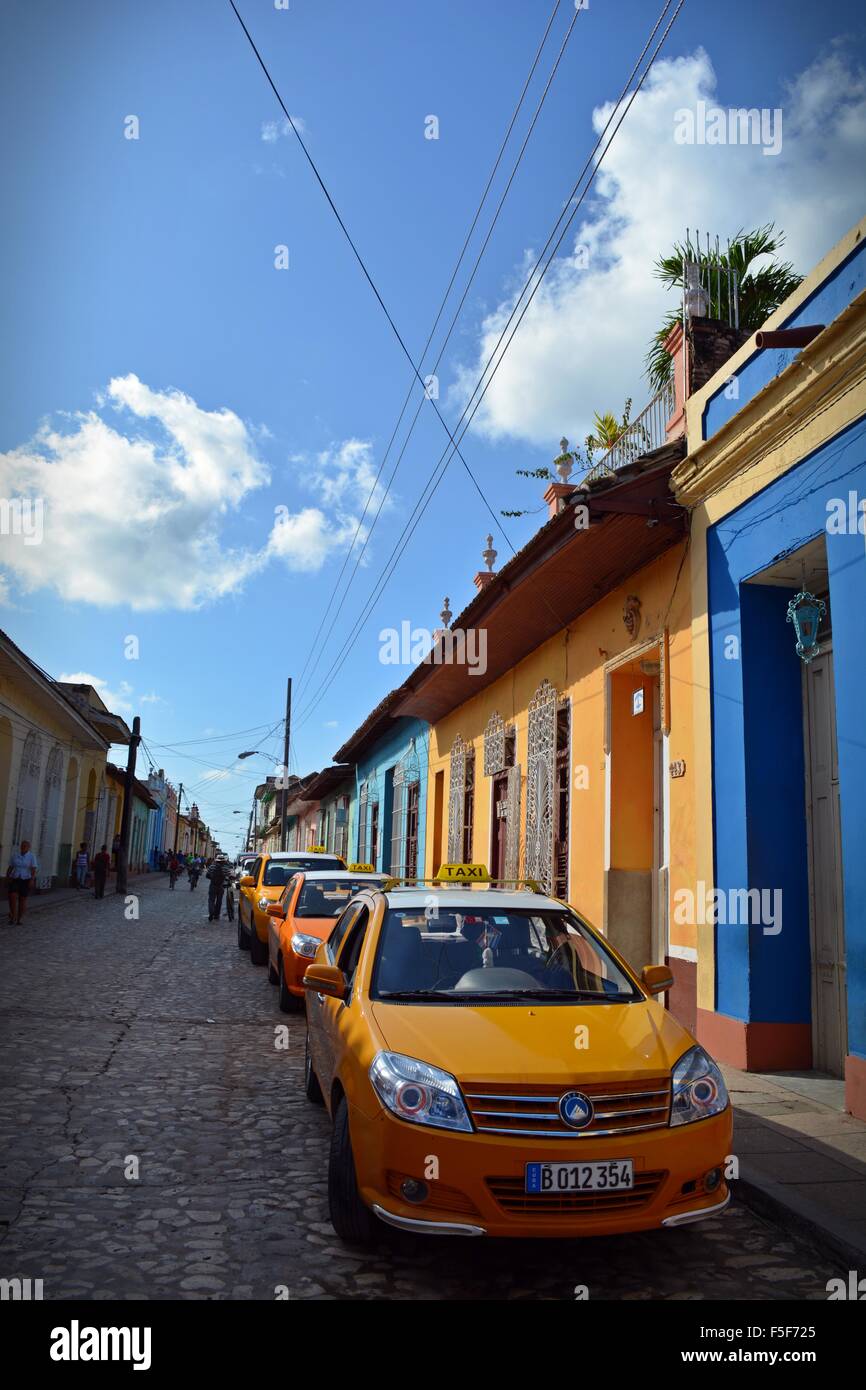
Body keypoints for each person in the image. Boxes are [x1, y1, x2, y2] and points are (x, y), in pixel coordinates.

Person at [7, 840, 38, 925]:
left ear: (28, 847)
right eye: (22, 846)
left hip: (26, 879)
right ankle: (13, 915)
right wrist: (8, 876)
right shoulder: (15, 855)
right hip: (15, 878)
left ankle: (19, 918)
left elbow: (33, 869)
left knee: (22, 899)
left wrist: (32, 880)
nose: (23, 847)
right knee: (12, 896)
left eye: (25, 846)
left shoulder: (31, 856)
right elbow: (10, 866)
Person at [206, 856, 232, 921]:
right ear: (223, 861)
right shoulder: (226, 868)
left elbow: (207, 875)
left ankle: (211, 912)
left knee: (211, 900)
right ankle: (216, 915)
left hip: (213, 885)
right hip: (221, 886)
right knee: (219, 901)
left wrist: (212, 878)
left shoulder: (212, 867)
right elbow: (229, 876)